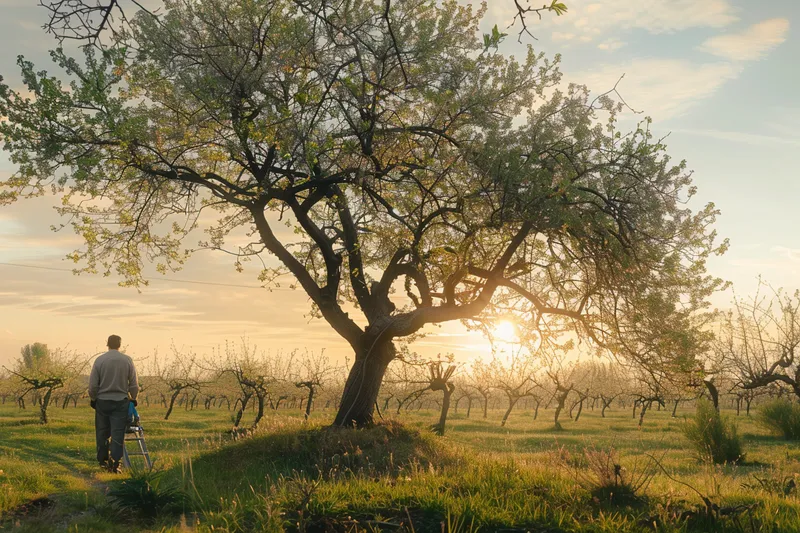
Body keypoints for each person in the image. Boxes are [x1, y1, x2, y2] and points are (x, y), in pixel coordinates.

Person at [88, 335, 139, 473]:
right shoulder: (127, 360)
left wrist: (93, 399)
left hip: (103, 401)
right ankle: (116, 463)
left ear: (107, 344)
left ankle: (103, 461)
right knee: (117, 433)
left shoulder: (100, 360)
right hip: (120, 401)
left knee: (102, 432)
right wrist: (133, 398)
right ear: (120, 345)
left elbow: (93, 385)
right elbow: (134, 384)